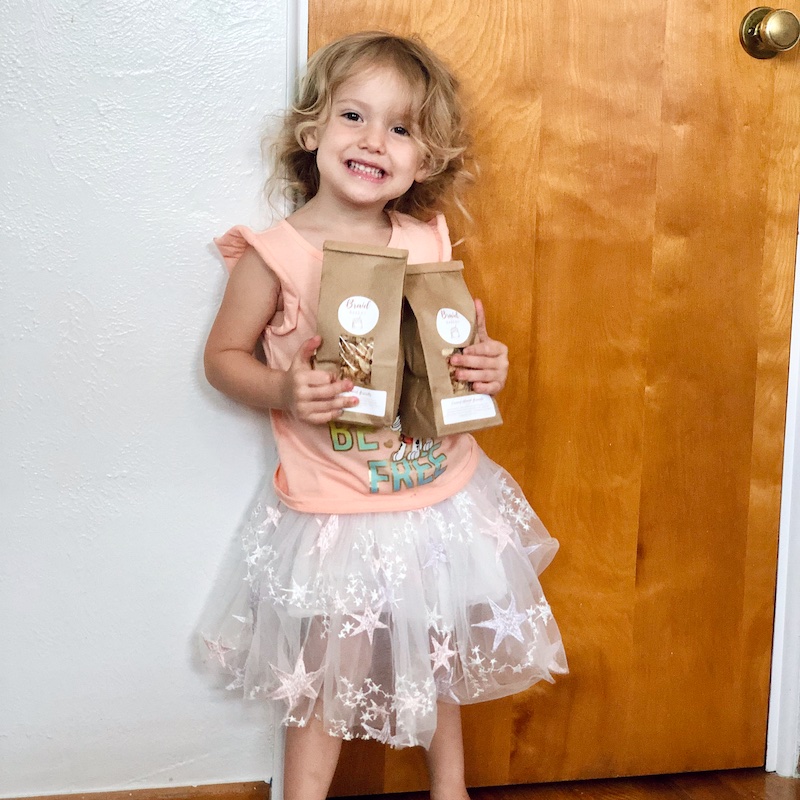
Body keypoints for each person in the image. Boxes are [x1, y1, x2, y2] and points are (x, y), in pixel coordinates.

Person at [201, 30, 567, 800]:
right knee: (325, 673)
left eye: (400, 129)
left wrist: (485, 364)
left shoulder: (426, 237)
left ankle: (451, 790)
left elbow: (455, 343)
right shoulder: (277, 254)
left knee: (432, 650)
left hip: (436, 491)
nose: (374, 141)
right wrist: (283, 390)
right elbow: (223, 358)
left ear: (425, 159)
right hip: (340, 504)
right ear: (312, 130)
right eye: (354, 117)